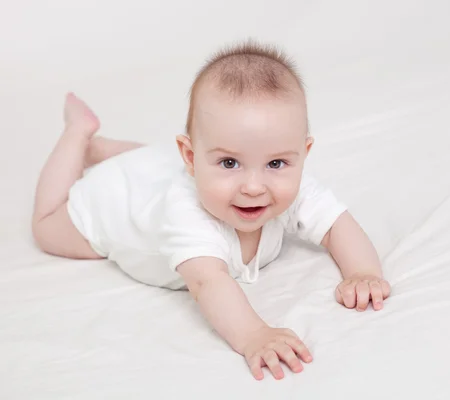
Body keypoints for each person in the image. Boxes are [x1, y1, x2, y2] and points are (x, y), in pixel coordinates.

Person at [31, 41, 391, 380]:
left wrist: (362, 271)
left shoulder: (290, 186)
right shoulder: (186, 212)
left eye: (276, 163)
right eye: (230, 162)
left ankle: (106, 149)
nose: (254, 186)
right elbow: (207, 281)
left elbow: (336, 224)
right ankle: (79, 136)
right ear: (190, 156)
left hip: (155, 167)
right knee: (46, 228)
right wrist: (254, 334)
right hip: (117, 199)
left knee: (153, 164)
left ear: (302, 154)